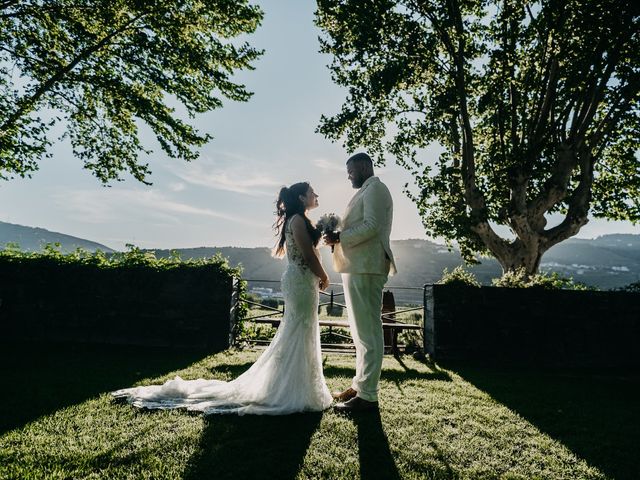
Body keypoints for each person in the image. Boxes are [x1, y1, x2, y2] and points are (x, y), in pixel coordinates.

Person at [112, 182, 333, 415]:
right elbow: (308, 255)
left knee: (301, 330)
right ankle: (289, 389)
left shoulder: (299, 219)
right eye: (312, 193)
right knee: (299, 329)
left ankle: (296, 385)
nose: (316, 195)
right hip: (300, 281)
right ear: (300, 197)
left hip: (303, 282)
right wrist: (325, 276)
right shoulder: (297, 220)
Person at [324, 152, 396, 413]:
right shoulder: (366, 190)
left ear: (365, 167)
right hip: (357, 267)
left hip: (368, 266)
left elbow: (373, 226)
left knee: (368, 332)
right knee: (359, 332)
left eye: (351, 171)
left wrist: (340, 237)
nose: (349, 176)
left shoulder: (376, 189)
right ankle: (359, 385)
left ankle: (367, 397)